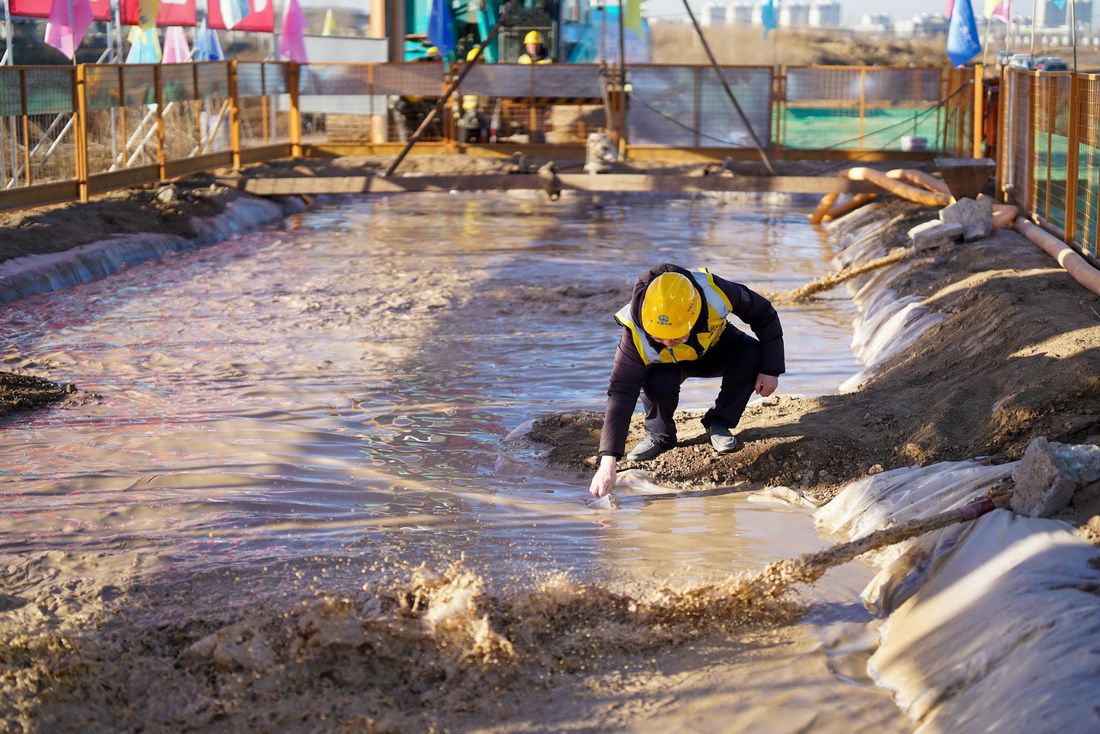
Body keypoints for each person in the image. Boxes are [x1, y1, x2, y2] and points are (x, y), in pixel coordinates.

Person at [589, 263, 785, 498]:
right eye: (661, 338)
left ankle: (719, 422)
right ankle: (660, 436)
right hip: (667, 367)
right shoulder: (634, 330)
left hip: (714, 347)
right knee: (654, 383)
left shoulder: (717, 291)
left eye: (677, 335)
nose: (670, 342)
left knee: (753, 354)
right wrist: (607, 463)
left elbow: (764, 314)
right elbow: (621, 392)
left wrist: (771, 370)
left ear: (693, 316)